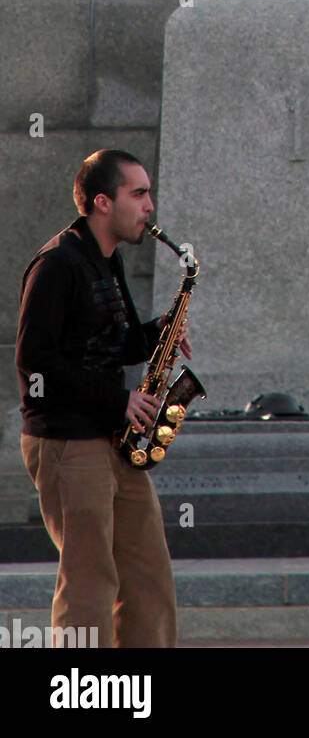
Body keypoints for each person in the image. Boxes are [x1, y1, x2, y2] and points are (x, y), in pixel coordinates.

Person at [15, 150, 191, 648]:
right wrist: (119, 400)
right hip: (70, 441)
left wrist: (162, 333)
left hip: (113, 439)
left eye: (148, 193)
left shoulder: (106, 260)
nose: (149, 206)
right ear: (102, 202)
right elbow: (35, 363)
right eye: (138, 194)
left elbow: (114, 343)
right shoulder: (57, 264)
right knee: (90, 582)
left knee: (147, 577)